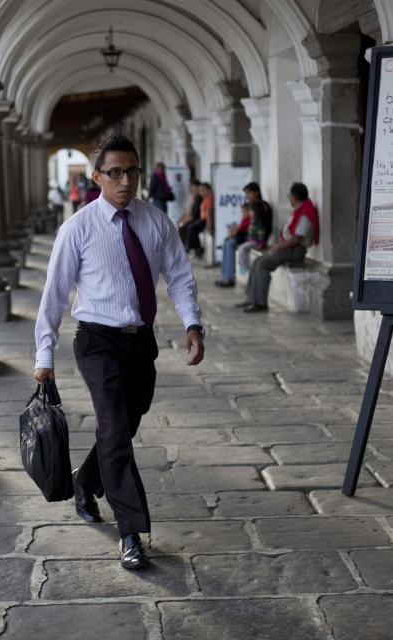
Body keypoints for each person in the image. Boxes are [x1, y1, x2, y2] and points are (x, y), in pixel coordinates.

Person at [34, 134, 205, 571]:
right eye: (114, 172)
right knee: (113, 428)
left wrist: (192, 323)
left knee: (123, 425)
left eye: (132, 171)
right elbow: (53, 295)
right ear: (96, 177)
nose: (125, 180)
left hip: (140, 341)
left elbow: (179, 276)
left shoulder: (156, 222)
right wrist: (44, 356)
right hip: (97, 341)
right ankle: (130, 531)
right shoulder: (78, 227)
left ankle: (85, 482)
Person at [237, 182, 318, 312]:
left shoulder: (305, 214)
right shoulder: (299, 210)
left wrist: (278, 247)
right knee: (257, 261)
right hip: (288, 248)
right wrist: (278, 246)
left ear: (294, 197)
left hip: (295, 251)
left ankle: (260, 302)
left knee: (263, 264)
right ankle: (250, 298)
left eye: (290, 196)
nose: (289, 198)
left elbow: (297, 239)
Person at [237, 182, 273, 275]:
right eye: (246, 194)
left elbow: (262, 227)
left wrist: (262, 242)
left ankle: (245, 268)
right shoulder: (258, 205)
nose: (247, 196)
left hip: (259, 239)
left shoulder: (258, 206)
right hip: (256, 238)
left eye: (249, 193)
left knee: (242, 248)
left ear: (256, 192)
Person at [214, 202, 253, 287]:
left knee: (229, 243)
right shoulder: (244, 219)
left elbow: (241, 230)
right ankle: (224, 276)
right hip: (238, 238)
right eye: (243, 212)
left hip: (243, 239)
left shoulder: (249, 219)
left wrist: (233, 233)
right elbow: (239, 229)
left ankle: (229, 278)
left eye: (245, 211)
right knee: (226, 243)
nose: (244, 214)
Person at [177, 178, 202, 249]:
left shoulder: (199, 197)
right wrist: (181, 219)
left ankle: (187, 248)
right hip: (193, 217)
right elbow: (188, 211)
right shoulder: (193, 197)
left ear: (196, 186)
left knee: (185, 228)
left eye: (190, 186)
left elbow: (193, 214)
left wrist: (184, 220)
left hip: (196, 218)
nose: (189, 188)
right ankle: (184, 247)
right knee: (181, 226)